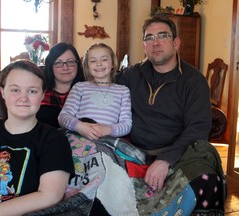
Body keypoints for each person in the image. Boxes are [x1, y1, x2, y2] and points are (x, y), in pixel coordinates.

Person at [116, 15, 226, 214]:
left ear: (176, 43)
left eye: (162, 35)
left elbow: (198, 128)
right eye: (149, 37)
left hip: (180, 154)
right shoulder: (131, 75)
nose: (155, 42)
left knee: (207, 179)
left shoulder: (194, 81)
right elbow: (102, 88)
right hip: (131, 151)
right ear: (144, 45)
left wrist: (165, 160)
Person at [0, 60, 74, 216]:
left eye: (32, 91)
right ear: (3, 92)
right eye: (15, 90)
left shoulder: (53, 139)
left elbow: (50, 196)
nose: (23, 98)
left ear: (43, 95)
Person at [58, 43, 132, 140]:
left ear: (113, 63)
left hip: (107, 145)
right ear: (87, 66)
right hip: (77, 141)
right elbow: (63, 116)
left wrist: (107, 130)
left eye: (104, 59)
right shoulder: (80, 87)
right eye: (93, 61)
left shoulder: (123, 91)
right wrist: (79, 126)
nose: (99, 64)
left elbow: (126, 124)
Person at [36, 42, 85, 128]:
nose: (65, 68)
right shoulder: (39, 92)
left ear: (78, 64)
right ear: (50, 66)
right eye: (58, 63)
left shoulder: (88, 91)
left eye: (70, 62)